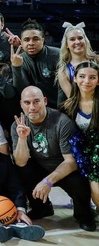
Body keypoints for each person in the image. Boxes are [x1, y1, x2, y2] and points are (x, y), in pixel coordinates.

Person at [11, 86, 95, 231]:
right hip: (40, 166)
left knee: (78, 180)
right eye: (27, 102)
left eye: (36, 101)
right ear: (21, 104)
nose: (32, 107)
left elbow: (71, 162)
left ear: (44, 101)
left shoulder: (62, 122)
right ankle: (42, 208)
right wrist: (22, 139)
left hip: (63, 168)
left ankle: (84, 215)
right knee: (22, 170)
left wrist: (47, 181)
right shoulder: (18, 125)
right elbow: (20, 162)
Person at [62, 61, 99, 209]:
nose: (86, 81)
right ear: (75, 79)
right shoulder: (69, 105)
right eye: (82, 76)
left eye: (92, 77)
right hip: (81, 155)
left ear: (98, 81)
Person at [11, 19, 61, 109]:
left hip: (58, 107)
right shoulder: (18, 59)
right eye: (26, 40)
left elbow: (63, 88)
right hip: (33, 108)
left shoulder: (57, 55)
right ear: (21, 42)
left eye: (35, 39)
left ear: (42, 40)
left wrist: (61, 110)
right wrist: (16, 67)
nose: (31, 43)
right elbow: (21, 90)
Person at [56, 22, 97, 99]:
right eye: (72, 39)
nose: (77, 42)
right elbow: (73, 100)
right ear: (67, 44)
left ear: (85, 40)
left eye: (80, 38)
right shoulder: (63, 72)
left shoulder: (97, 60)